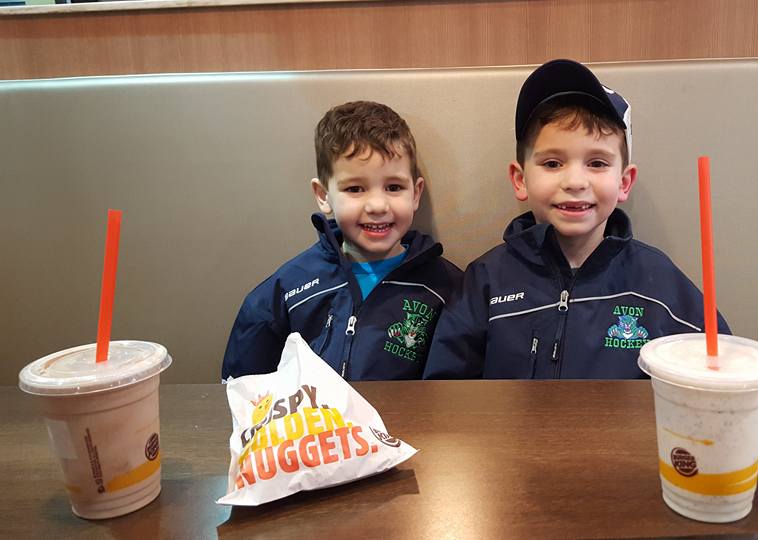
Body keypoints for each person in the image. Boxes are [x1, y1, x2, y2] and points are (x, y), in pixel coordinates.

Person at [424, 59, 730, 379]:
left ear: (624, 182)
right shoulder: (486, 280)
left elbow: (720, 373)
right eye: (553, 163)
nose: (574, 181)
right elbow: (445, 393)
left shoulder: (659, 283)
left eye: (596, 163)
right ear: (519, 179)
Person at [223, 101, 462, 381]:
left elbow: (455, 391)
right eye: (355, 189)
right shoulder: (287, 290)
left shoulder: (447, 289)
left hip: (406, 425)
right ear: (323, 195)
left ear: (415, 193)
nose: (377, 205)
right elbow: (242, 388)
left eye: (394, 187)